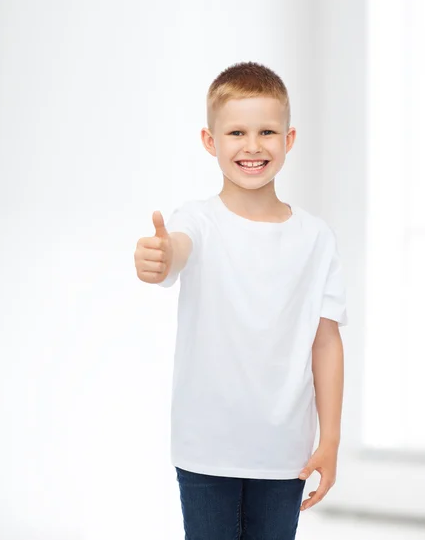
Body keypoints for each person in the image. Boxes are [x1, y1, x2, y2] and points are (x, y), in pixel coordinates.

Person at [133, 61, 349, 539]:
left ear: (288, 140)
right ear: (211, 142)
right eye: (236, 132)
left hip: (284, 451)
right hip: (205, 446)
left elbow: (326, 342)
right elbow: (177, 250)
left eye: (267, 131)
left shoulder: (316, 238)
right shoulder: (197, 220)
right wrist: (160, 256)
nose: (252, 146)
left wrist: (330, 437)